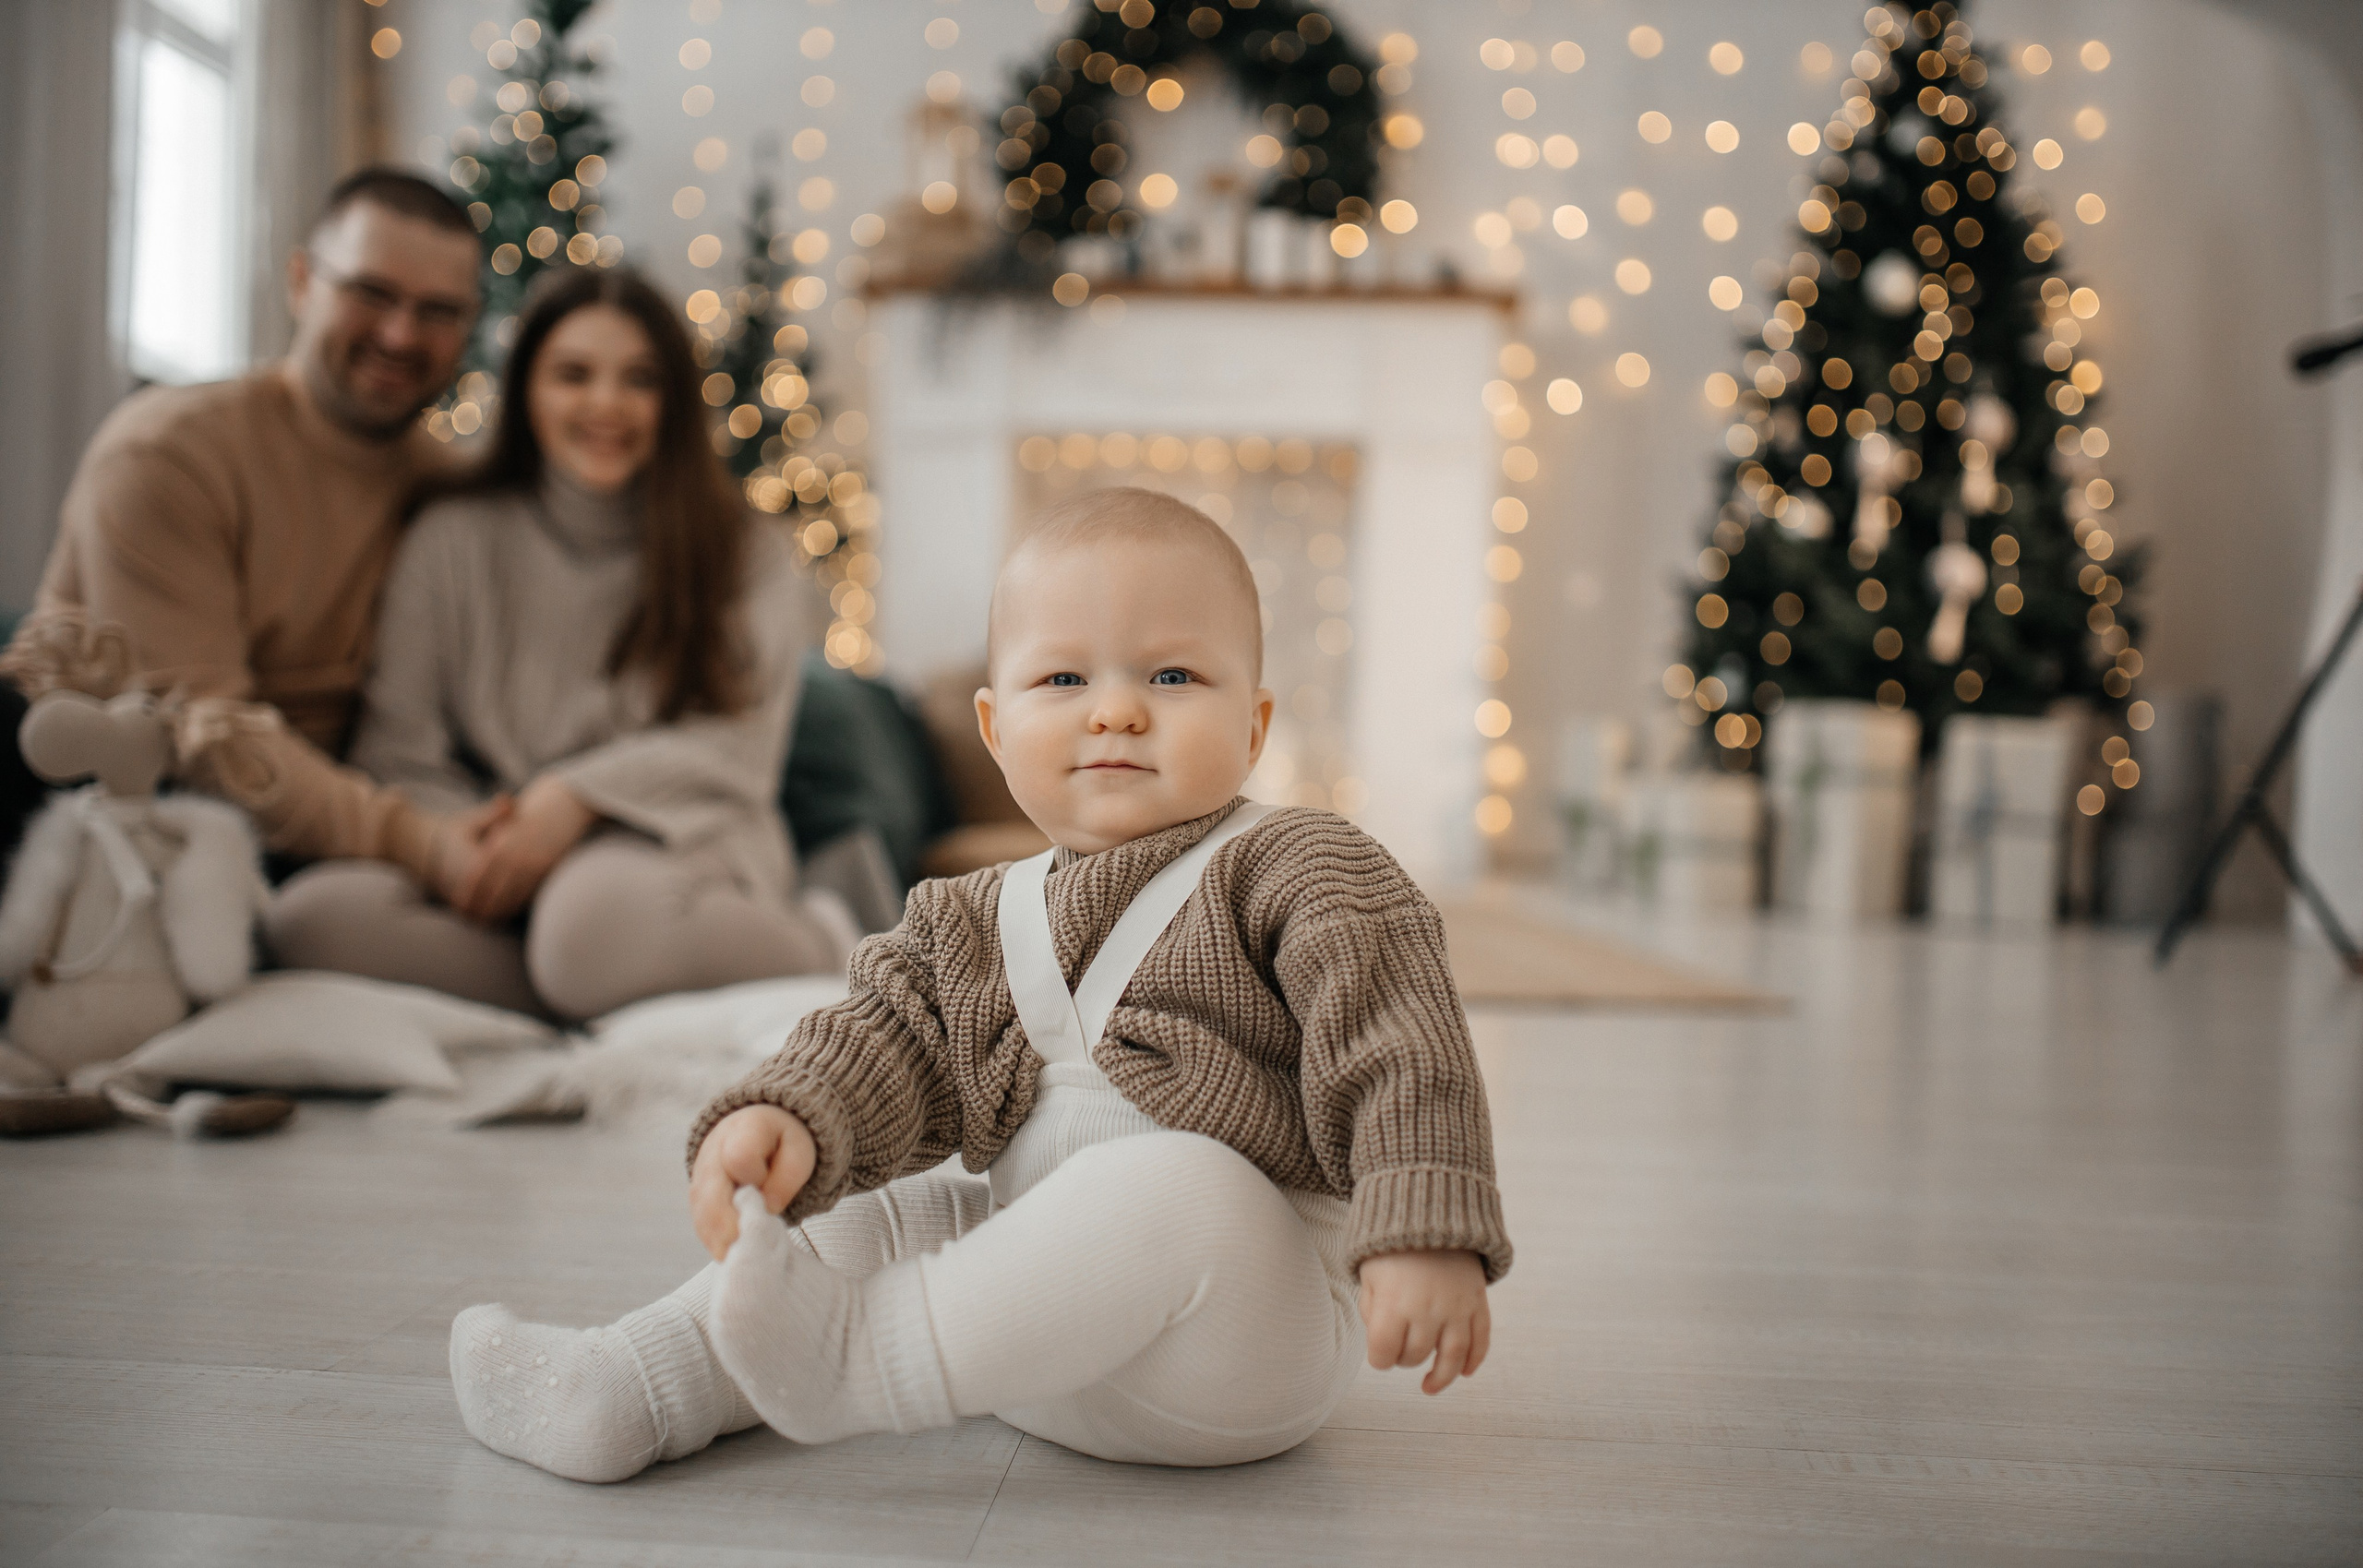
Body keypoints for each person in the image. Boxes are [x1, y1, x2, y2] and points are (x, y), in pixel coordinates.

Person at [445, 486, 1512, 1480]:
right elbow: (875, 1038)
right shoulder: (967, 915)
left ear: (1255, 726)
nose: (1116, 712)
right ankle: (634, 1383)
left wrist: (1421, 1226)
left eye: (1172, 676)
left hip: (1236, 1345)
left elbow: (1397, 1039)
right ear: (997, 730)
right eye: (1065, 679)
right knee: (899, 1212)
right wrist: (788, 1113)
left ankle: (869, 1362)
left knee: (1184, 1186)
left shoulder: (1299, 864)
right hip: (1034, 1360)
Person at [262, 268, 850, 1020]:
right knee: (309, 919)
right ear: (527, 389)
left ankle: (824, 945)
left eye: (638, 379)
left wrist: (572, 801)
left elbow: (738, 752)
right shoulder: (450, 539)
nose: (605, 403)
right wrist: (479, 841)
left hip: (677, 838)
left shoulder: (745, 548)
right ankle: (583, 982)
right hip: (500, 847)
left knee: (593, 921)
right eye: (573, 374)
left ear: (671, 401)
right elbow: (397, 752)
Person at [4, 169, 483, 882]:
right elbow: (200, 736)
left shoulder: (450, 489)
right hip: (104, 809)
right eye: (371, 293)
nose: (401, 334)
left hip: (321, 820)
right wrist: (421, 841)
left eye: (439, 311)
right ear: (300, 281)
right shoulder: (169, 453)